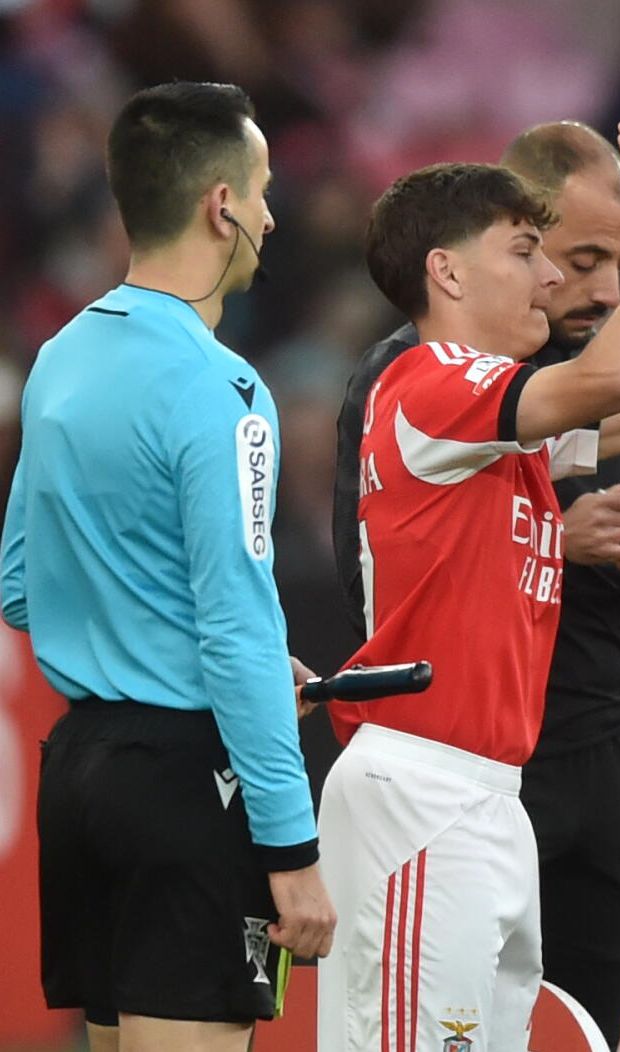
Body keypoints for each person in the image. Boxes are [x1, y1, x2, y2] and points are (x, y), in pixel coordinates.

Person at [328, 120, 620, 1046]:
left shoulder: (504, 415)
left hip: (491, 787)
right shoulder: (430, 384)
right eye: (526, 252)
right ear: (448, 273)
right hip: (425, 786)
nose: (551, 277)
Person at [0, 82, 335, 1052]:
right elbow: (236, 628)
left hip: (80, 774)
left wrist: (138, 633)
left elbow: (19, 581)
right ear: (220, 204)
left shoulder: (61, 354)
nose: (272, 214)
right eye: (263, 188)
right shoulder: (222, 389)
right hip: (189, 786)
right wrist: (292, 845)